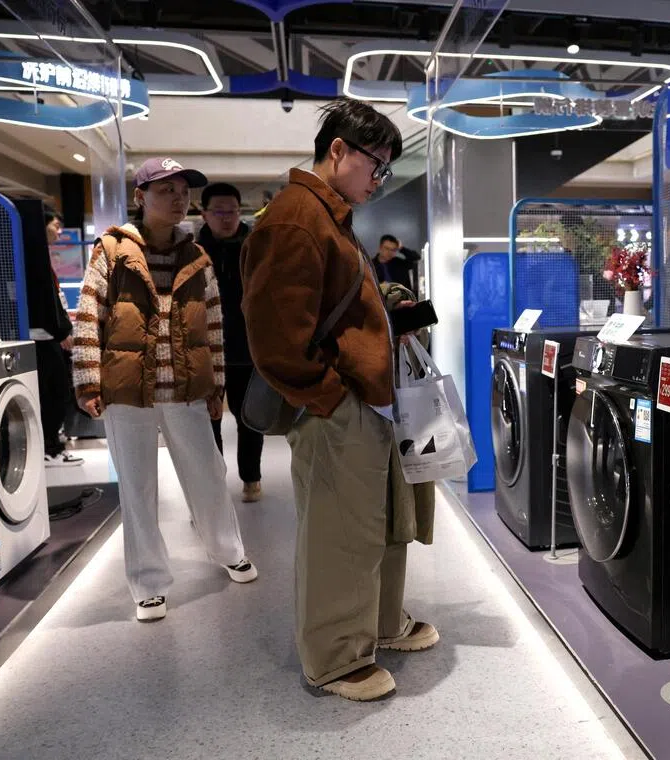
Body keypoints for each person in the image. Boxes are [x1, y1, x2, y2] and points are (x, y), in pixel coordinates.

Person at [241, 99, 438, 703]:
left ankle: (377, 625)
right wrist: (329, 397)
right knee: (339, 532)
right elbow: (275, 335)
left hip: (366, 398)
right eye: (377, 166)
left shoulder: (329, 216)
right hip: (338, 405)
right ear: (338, 151)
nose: (379, 181)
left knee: (377, 522)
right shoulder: (297, 219)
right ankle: (332, 658)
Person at [73, 157, 259, 622]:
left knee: (208, 475)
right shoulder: (112, 252)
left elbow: (213, 325)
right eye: (166, 191)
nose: (178, 199)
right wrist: (88, 380)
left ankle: (228, 549)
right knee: (137, 489)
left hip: (186, 389)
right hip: (126, 389)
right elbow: (89, 317)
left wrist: (216, 384)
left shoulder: (197, 258)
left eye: (182, 191)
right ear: (141, 198)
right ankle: (149, 582)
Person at [200, 182, 264, 503]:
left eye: (233, 211)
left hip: (248, 349)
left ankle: (251, 477)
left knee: (249, 417)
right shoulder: (193, 250)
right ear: (204, 213)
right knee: (207, 420)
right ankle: (212, 483)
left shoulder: (256, 246)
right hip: (205, 351)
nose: (226, 218)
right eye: (219, 211)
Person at [35, 210, 82, 467]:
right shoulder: (33, 258)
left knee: (57, 392)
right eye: (56, 225)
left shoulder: (41, 257)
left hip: (51, 335)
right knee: (53, 392)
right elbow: (46, 301)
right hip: (45, 338)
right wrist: (62, 330)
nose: (60, 231)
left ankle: (52, 445)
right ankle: (49, 449)